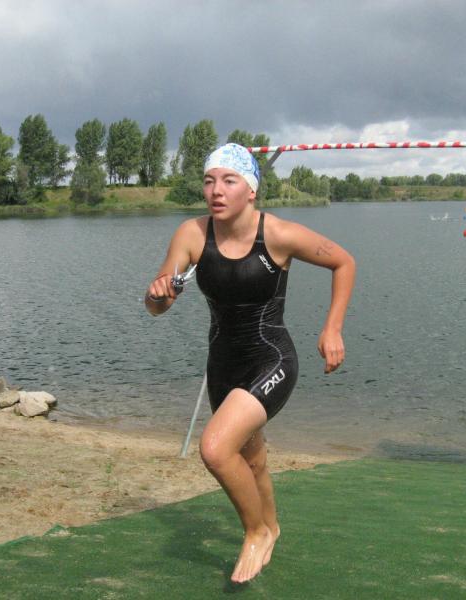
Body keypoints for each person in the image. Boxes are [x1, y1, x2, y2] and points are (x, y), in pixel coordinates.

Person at [145, 143, 356, 583]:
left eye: (229, 181)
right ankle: (272, 528)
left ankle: (255, 531)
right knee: (252, 458)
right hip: (222, 366)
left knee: (214, 449)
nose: (216, 191)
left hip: (271, 359)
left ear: (251, 190)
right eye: (209, 181)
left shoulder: (278, 234)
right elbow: (156, 307)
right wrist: (158, 294)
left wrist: (333, 328)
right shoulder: (191, 234)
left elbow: (343, 262)